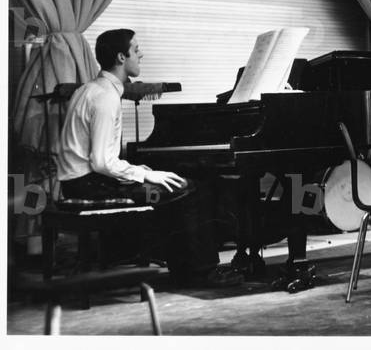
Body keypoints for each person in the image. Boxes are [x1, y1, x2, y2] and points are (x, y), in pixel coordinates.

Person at [56, 29, 243, 287]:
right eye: (136, 49)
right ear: (122, 57)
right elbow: (101, 162)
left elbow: (100, 159)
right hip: (89, 185)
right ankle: (202, 273)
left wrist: (137, 170)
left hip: (80, 181)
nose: (141, 53)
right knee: (189, 189)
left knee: (173, 187)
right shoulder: (105, 97)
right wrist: (144, 174)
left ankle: (184, 271)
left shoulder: (90, 89)